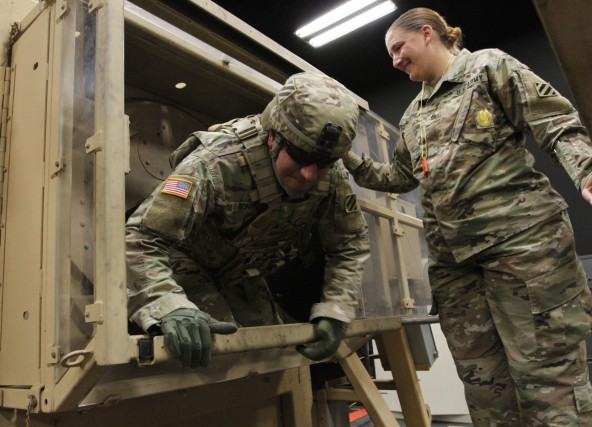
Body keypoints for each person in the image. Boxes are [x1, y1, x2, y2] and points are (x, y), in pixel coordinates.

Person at [342, 7, 592, 426]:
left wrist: (586, 170)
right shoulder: (414, 115)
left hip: (520, 246)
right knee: (484, 385)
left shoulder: (487, 67)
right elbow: (400, 177)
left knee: (548, 378)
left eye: (398, 48)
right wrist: (349, 159)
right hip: (456, 266)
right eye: (391, 55)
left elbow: (554, 121)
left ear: (426, 34)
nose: (395, 61)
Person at [126, 71, 370, 369]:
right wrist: (167, 304)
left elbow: (349, 244)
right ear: (273, 138)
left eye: (323, 164)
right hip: (183, 259)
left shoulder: (332, 178)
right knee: (202, 350)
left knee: (268, 355)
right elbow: (141, 237)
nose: (309, 174)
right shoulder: (215, 162)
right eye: (300, 157)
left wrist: (336, 309)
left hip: (243, 269)